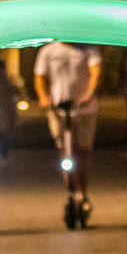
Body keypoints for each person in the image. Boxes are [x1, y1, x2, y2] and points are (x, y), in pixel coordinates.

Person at [35, 40, 100, 215]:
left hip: (84, 110)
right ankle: (71, 191)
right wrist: (44, 98)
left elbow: (95, 73)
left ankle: (83, 193)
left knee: (83, 152)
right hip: (59, 111)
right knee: (65, 152)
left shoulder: (88, 49)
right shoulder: (48, 51)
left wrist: (89, 95)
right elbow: (40, 77)